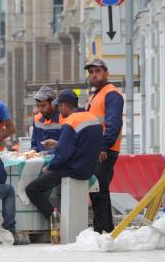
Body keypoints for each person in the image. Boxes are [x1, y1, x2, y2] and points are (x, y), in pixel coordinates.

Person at [25, 90, 103, 220]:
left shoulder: (71, 122)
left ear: (64, 106)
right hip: (90, 169)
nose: (59, 110)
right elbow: (81, 144)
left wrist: (49, 167)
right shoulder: (92, 118)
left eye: (59, 106)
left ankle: (56, 221)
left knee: (32, 189)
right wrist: (58, 144)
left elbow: (62, 155)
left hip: (72, 169)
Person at [84, 59, 124, 233]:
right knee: (100, 189)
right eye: (91, 72)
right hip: (95, 150)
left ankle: (100, 228)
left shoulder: (111, 94)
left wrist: (103, 147)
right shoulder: (94, 96)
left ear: (106, 73)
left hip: (104, 150)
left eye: (98, 71)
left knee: (98, 189)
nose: (94, 74)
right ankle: (106, 228)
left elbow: (113, 124)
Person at [31, 86, 62, 152]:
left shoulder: (63, 118)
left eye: (43, 106)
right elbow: (34, 143)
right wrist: (33, 151)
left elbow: (67, 145)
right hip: (40, 160)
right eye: (38, 106)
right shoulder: (37, 119)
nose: (40, 109)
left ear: (53, 103)